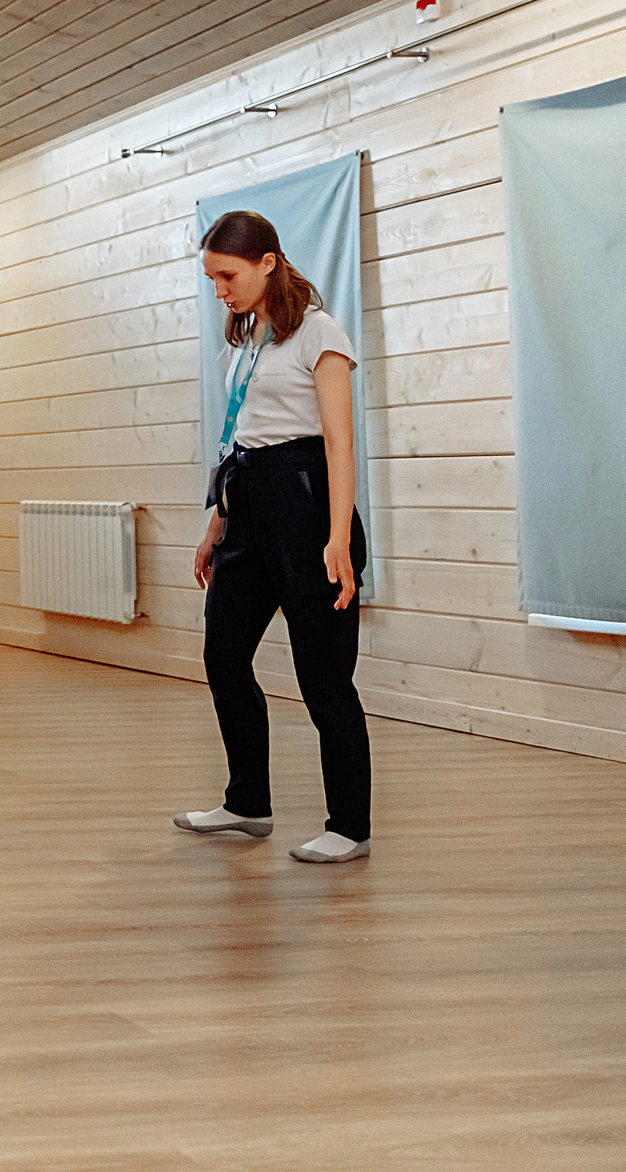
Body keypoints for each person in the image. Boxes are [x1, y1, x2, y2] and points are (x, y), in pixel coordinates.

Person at [179, 209, 371, 864]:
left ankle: (349, 824)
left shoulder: (319, 333)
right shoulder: (241, 338)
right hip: (246, 501)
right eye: (211, 279)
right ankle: (248, 802)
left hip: (307, 500)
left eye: (226, 275)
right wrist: (216, 525)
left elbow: (340, 442)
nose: (220, 290)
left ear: (267, 261)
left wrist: (338, 534)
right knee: (223, 656)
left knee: (323, 677)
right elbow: (238, 436)